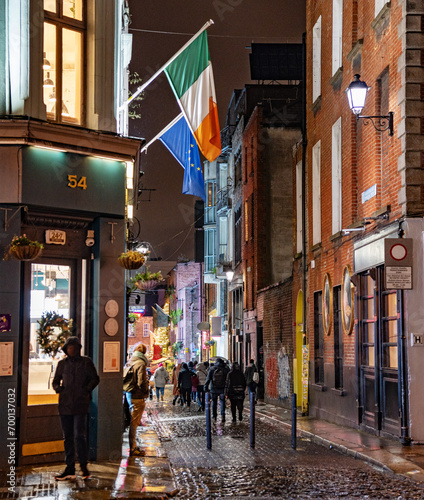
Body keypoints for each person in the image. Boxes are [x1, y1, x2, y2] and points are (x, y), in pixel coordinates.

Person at [52, 336, 99, 481]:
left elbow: (95, 378)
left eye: (74, 347)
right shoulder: (62, 364)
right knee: (68, 437)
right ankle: (70, 468)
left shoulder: (86, 362)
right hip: (65, 405)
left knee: (80, 436)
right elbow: (55, 381)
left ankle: (84, 467)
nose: (72, 350)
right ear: (66, 349)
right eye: (69, 347)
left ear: (79, 349)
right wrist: (59, 389)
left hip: (80, 404)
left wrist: (86, 390)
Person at [124, 343, 150, 456]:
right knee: (134, 423)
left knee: (132, 421)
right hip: (137, 396)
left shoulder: (130, 361)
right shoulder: (140, 363)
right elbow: (141, 382)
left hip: (129, 394)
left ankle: (133, 445)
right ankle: (133, 447)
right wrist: (146, 391)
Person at [204, 357, 230, 423]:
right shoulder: (225, 369)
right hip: (222, 389)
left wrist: (206, 388)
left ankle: (214, 415)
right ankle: (223, 415)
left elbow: (208, 379)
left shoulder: (212, 369)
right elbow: (228, 380)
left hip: (214, 389)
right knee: (222, 402)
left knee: (214, 402)